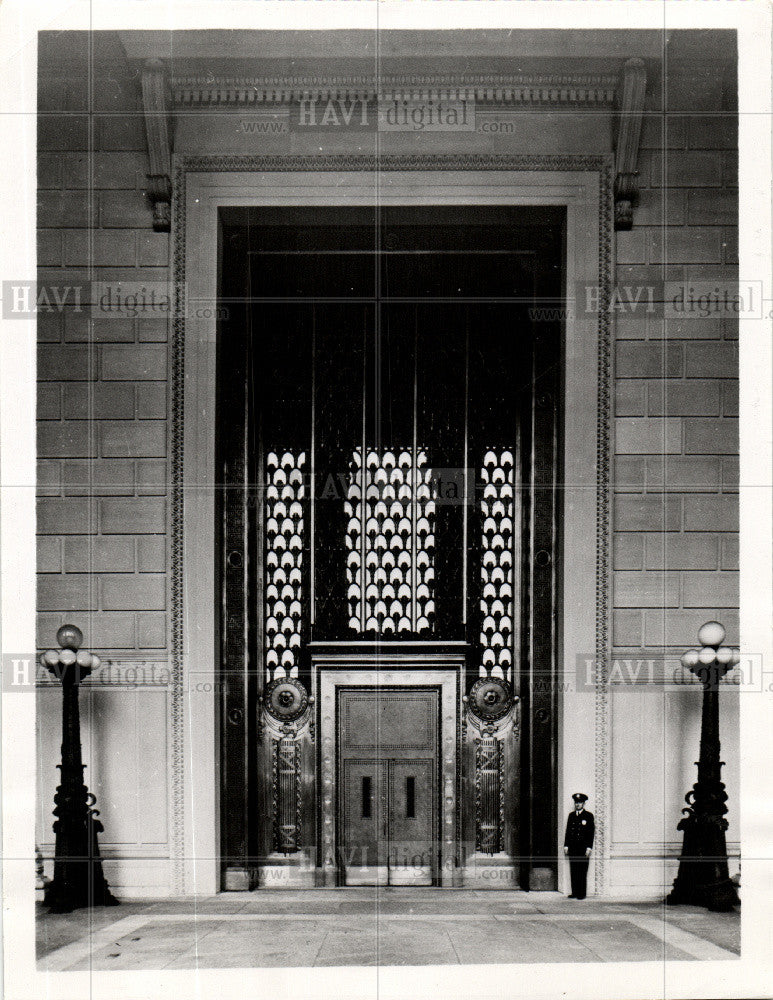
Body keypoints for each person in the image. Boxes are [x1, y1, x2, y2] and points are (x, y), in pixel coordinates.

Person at [563, 792, 594, 899]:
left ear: (583, 804)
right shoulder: (571, 816)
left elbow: (591, 833)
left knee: (582, 870)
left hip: (583, 849)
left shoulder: (588, 816)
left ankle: (582, 893)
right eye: (576, 802)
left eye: (580, 802)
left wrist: (589, 847)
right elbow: (568, 831)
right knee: (574, 870)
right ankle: (575, 892)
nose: (577, 805)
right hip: (573, 848)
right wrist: (566, 845)